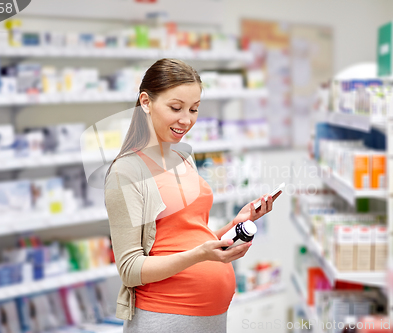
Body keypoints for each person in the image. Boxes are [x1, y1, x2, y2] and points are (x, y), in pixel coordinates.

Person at [104, 58, 277, 333]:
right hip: (166, 318)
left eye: (194, 109)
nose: (186, 120)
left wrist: (235, 225)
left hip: (211, 318)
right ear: (146, 102)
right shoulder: (126, 171)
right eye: (176, 108)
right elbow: (130, 269)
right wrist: (199, 256)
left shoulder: (183, 156)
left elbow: (188, 235)